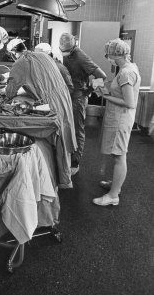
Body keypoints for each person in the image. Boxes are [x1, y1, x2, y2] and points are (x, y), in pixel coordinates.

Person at [6, 41, 77, 188]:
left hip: (52, 102)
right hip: (63, 97)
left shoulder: (20, 63)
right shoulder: (41, 56)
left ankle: (61, 179)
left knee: (59, 138)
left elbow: (10, 91)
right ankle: (65, 173)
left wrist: (6, 95)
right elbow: (39, 81)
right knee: (65, 131)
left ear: (13, 54)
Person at [92, 38, 141, 206]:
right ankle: (115, 185)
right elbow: (121, 93)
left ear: (116, 55)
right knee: (116, 153)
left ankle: (113, 196)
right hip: (118, 117)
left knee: (119, 156)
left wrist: (105, 95)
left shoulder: (126, 73)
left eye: (108, 55)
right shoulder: (126, 68)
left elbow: (130, 102)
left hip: (121, 119)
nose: (108, 58)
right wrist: (105, 88)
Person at [59, 33, 107, 175]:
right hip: (69, 96)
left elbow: (102, 76)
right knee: (69, 127)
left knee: (77, 128)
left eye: (67, 51)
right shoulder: (67, 53)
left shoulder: (80, 56)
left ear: (74, 46)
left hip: (78, 98)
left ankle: (75, 161)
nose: (64, 53)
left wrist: (89, 90)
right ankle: (69, 155)